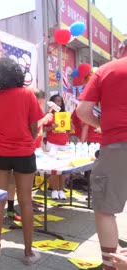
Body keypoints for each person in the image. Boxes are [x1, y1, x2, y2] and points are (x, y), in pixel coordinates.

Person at [0, 56, 44, 265]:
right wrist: (25, 141)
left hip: (0, 153)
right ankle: (28, 253)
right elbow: (35, 127)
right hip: (25, 152)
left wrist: (3, 141)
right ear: (16, 74)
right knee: (25, 201)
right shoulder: (27, 94)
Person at [76, 39, 127, 270]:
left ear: (120, 50)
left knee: (105, 209)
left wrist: (101, 124)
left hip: (116, 145)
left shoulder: (106, 70)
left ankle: (111, 264)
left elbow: (83, 111)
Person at [43, 94, 69, 200]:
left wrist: (70, 125)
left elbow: (68, 131)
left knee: (63, 169)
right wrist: (51, 127)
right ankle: (54, 190)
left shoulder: (64, 115)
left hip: (63, 144)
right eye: (56, 101)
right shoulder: (49, 115)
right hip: (52, 144)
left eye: (60, 101)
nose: (58, 103)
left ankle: (61, 190)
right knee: (54, 168)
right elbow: (42, 129)